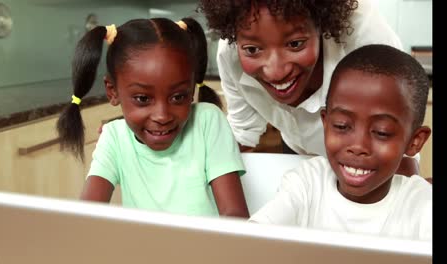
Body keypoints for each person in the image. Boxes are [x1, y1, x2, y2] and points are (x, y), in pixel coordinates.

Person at [197, 0, 420, 176]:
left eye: (295, 44)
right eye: (253, 49)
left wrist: (411, 199)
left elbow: (397, 134)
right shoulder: (230, 55)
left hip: (370, 165)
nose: (276, 72)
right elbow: (242, 133)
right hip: (298, 153)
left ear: (322, 24)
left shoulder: (363, 36)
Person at [56, 17, 250, 218]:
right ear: (112, 91)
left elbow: (234, 215)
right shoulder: (114, 138)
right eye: (142, 98)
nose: (162, 116)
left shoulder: (208, 121)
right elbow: (85, 218)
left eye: (178, 97)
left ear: (191, 89)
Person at [249, 44, 432, 241]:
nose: (358, 146)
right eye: (342, 126)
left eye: (381, 132)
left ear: (415, 141)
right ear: (325, 123)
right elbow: (251, 242)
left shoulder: (422, 203)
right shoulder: (307, 182)